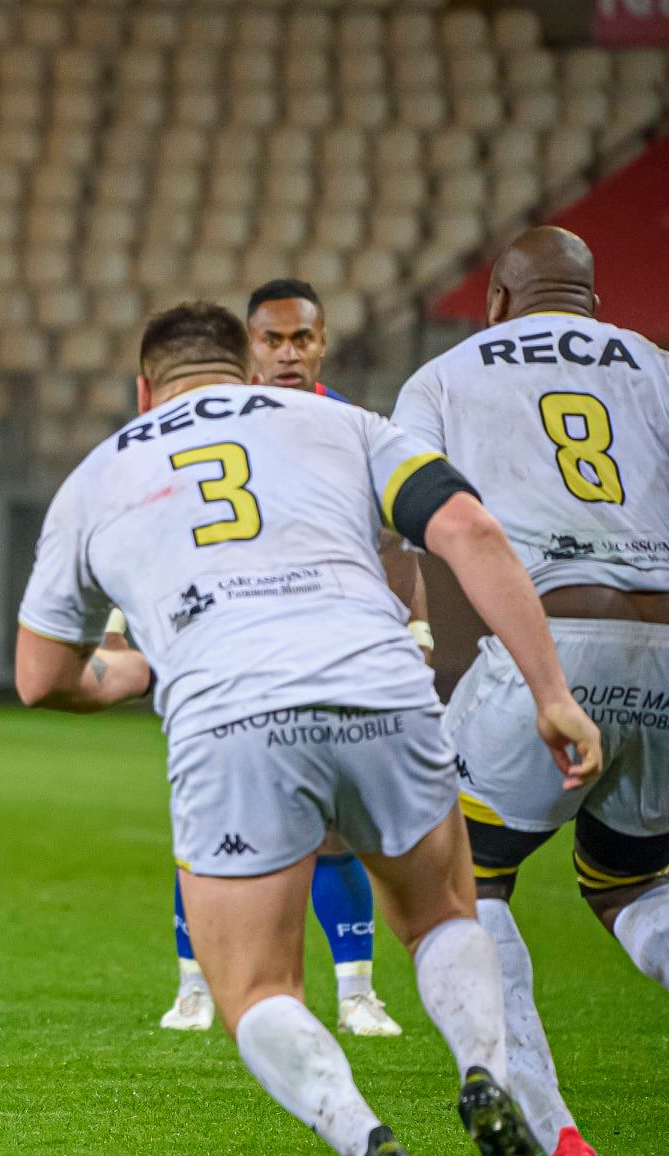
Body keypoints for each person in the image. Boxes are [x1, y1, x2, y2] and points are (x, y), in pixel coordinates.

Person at [17, 302, 598, 1156]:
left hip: (231, 717)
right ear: (249, 370)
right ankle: (485, 1078)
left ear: (143, 388)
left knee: (255, 988)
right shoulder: (344, 422)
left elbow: (41, 675)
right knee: (444, 915)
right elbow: (470, 533)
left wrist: (151, 665)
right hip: (380, 684)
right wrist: (552, 692)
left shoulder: (99, 475)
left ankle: (367, 1142)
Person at [392, 225, 669, 1156]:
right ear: (590, 299)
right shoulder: (656, 369)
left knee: (465, 883)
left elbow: (430, 533)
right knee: (634, 884)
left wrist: (451, 680)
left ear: (499, 300)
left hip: (546, 642)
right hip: (667, 649)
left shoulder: (448, 373)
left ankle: (553, 1136)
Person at [157, 279, 420, 1037]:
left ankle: (357, 993)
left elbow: (392, 538)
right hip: (224, 647)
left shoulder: (352, 426)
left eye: (301, 339)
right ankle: (194, 988)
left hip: (328, 648)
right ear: (249, 346)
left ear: (322, 342)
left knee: (335, 821)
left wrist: (419, 631)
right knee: (209, 815)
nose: (287, 353)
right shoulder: (209, 425)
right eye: (272, 340)